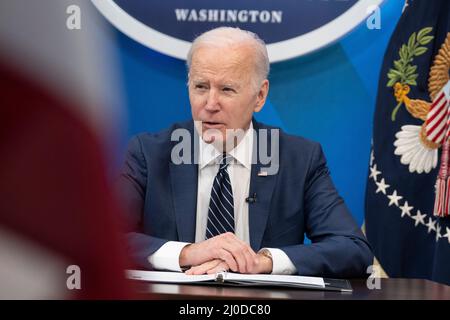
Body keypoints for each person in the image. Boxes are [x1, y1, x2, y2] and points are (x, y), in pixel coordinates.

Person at [120, 27, 373, 277]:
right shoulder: (149, 154)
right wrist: (188, 253)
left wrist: (261, 262)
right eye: (200, 87)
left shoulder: (299, 159)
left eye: (226, 89)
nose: (209, 104)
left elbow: (353, 249)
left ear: (260, 96)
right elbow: (103, 239)